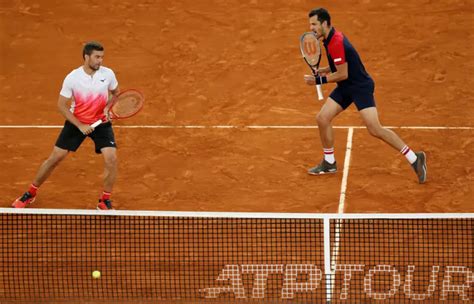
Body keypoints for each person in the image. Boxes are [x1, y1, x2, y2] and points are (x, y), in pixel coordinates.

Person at [304, 8, 427, 184]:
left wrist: (318, 81)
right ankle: (329, 162)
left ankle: (415, 158)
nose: (311, 28)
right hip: (346, 87)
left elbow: (342, 74)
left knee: (375, 129)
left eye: (314, 24)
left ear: (324, 23)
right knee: (322, 118)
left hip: (359, 87)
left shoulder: (336, 42)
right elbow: (338, 67)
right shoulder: (330, 38)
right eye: (310, 24)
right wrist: (322, 71)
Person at [12, 41, 120, 209]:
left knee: (111, 158)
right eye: (97, 57)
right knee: (55, 158)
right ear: (86, 57)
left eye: (102, 57)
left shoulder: (108, 74)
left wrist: (107, 108)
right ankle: (30, 193)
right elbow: (62, 105)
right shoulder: (73, 78)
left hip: (101, 123)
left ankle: (104, 200)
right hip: (77, 122)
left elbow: (115, 93)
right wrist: (80, 126)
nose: (100, 61)